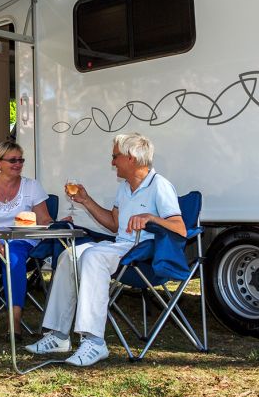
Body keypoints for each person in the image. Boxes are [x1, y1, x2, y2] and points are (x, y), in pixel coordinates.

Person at [24, 132, 183, 366]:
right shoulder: (125, 188)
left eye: (115, 157)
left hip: (143, 252)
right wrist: (86, 201)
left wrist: (152, 218)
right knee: (69, 256)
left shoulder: (160, 186)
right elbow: (115, 224)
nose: (112, 162)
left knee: (92, 255)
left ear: (131, 158)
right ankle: (59, 336)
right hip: (121, 247)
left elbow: (180, 229)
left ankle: (94, 341)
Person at [0, 141, 53, 343]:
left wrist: (56, 223)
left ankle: (14, 321)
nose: (18, 164)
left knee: (13, 256)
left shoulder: (31, 186)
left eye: (20, 160)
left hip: (21, 240)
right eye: (13, 160)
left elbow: (44, 220)